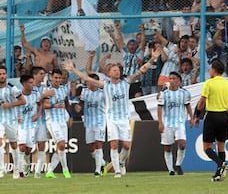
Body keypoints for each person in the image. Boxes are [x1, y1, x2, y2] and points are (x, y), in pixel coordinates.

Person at [64, 48, 161, 178]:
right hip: (111, 118)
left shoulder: (126, 82)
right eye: (114, 70)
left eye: (118, 70)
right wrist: (73, 69)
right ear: (109, 73)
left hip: (124, 118)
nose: (116, 72)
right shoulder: (105, 84)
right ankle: (116, 171)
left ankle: (121, 162)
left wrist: (152, 59)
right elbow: (85, 77)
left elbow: (141, 70)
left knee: (126, 145)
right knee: (114, 144)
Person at [193, 59, 228, 182]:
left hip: (212, 116)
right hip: (224, 116)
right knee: (221, 146)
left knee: (207, 147)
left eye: (211, 69)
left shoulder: (209, 83)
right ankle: (219, 174)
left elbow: (202, 102)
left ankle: (220, 164)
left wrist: (197, 116)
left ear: (214, 70)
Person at [0, 65, 26, 179]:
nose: (2, 76)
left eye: (4, 74)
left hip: (11, 119)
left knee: (13, 144)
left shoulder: (12, 88)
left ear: (6, 75)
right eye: (0, 74)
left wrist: (9, 105)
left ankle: (16, 169)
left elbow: (23, 101)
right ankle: (1, 169)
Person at [157, 71, 194, 176]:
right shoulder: (164, 94)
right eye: (170, 78)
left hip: (179, 122)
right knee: (168, 147)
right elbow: (159, 108)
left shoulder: (184, 93)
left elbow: (188, 105)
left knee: (182, 144)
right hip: (167, 123)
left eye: (174, 79)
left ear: (179, 81)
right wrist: (160, 122)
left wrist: (192, 118)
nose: (172, 80)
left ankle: (178, 164)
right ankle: (170, 170)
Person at [42, 69, 71, 179]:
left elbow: (66, 102)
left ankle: (50, 171)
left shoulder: (64, 89)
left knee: (60, 147)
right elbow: (45, 105)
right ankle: (65, 170)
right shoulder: (48, 91)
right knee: (61, 144)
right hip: (52, 121)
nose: (58, 80)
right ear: (52, 78)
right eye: (56, 78)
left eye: (60, 78)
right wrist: (54, 106)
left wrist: (70, 116)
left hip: (62, 120)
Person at [79, 73, 108, 177]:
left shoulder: (103, 93)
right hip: (88, 121)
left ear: (95, 82)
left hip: (100, 121)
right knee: (90, 147)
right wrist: (79, 107)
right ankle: (103, 163)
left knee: (98, 143)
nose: (88, 83)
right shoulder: (84, 92)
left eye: (89, 81)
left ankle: (97, 170)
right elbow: (81, 103)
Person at [17, 74, 42, 178]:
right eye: (30, 83)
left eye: (32, 82)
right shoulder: (17, 94)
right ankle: (20, 172)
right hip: (21, 125)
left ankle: (27, 161)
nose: (32, 85)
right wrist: (15, 117)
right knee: (21, 147)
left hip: (32, 124)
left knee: (28, 149)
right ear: (24, 84)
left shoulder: (36, 93)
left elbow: (40, 104)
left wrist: (38, 114)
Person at [31, 66, 51, 178]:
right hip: (30, 121)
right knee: (27, 147)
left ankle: (38, 171)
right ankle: (27, 166)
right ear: (34, 75)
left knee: (42, 145)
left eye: (43, 74)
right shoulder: (29, 88)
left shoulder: (44, 88)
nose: (43, 76)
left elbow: (44, 103)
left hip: (42, 120)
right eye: (41, 74)